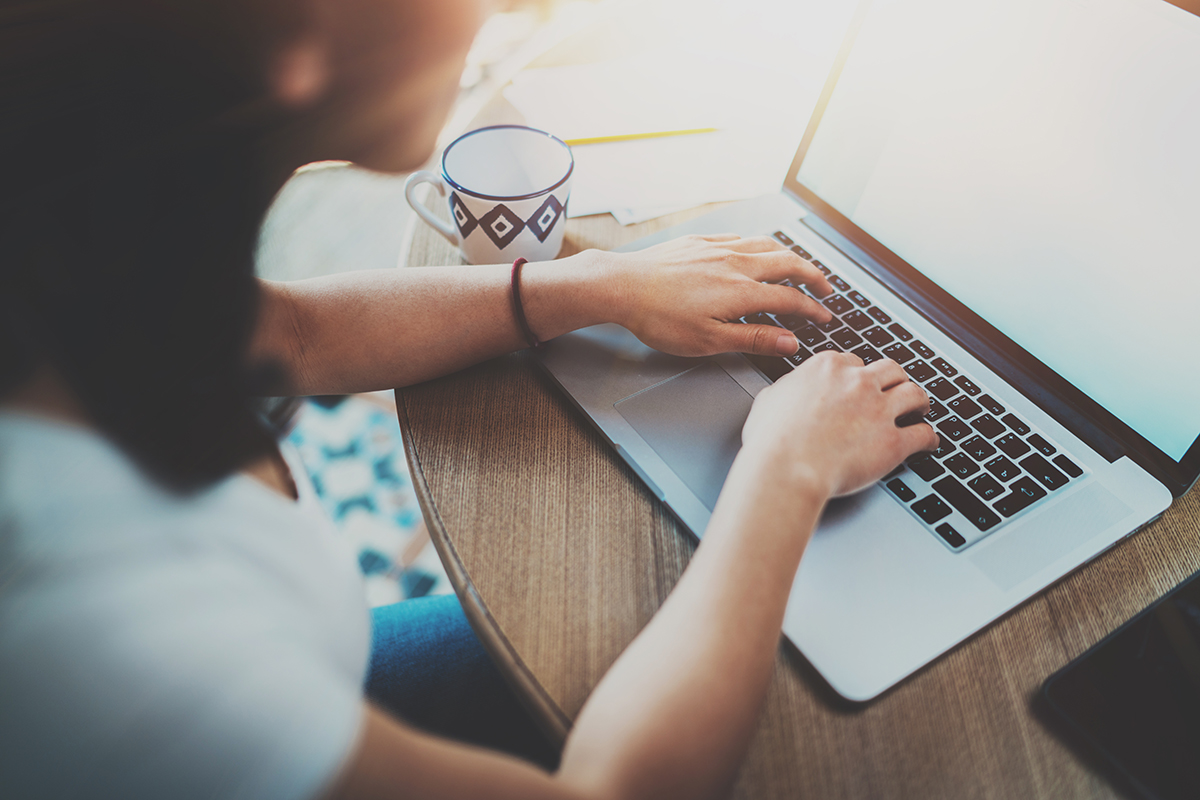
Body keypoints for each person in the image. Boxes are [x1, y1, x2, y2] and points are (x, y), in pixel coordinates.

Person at [0, 0, 938, 798]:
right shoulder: (109, 638)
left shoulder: (75, 240)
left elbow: (289, 334)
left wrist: (601, 286)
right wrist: (786, 468)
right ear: (305, 33)